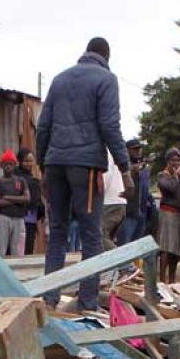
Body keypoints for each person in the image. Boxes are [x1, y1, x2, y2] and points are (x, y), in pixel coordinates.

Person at [33, 37, 129, 309]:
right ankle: (87, 300)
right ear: (106, 57)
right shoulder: (106, 79)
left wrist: (43, 165)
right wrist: (125, 166)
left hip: (55, 163)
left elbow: (43, 127)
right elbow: (110, 126)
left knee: (58, 233)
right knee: (91, 235)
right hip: (85, 166)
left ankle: (49, 298)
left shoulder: (60, 79)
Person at [155, 148, 180, 283]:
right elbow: (170, 188)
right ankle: (161, 280)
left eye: (178, 160)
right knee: (165, 248)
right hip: (168, 214)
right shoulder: (162, 176)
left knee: (175, 251)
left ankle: (172, 280)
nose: (176, 163)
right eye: (173, 160)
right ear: (167, 162)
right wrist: (176, 177)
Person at [0, 150, 31, 256]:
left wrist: (8, 197)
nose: (8, 166)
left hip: (19, 219)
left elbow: (27, 198)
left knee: (18, 252)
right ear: (1, 166)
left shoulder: (21, 180)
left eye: (10, 164)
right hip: (2, 218)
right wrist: (18, 199)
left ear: (15, 165)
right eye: (5, 164)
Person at [18, 148, 45, 253]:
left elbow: (37, 199)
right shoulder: (16, 177)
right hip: (19, 216)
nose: (28, 164)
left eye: (31, 161)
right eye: (26, 161)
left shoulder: (33, 179)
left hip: (31, 217)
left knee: (29, 245)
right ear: (20, 161)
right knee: (19, 246)